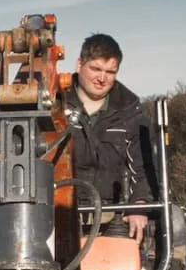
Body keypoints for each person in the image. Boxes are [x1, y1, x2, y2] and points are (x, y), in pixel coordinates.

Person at [60, 33, 156, 241]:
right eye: (95, 69)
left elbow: (143, 165)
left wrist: (139, 203)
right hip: (59, 212)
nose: (101, 79)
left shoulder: (130, 110)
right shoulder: (56, 104)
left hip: (114, 216)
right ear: (79, 64)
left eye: (110, 72)